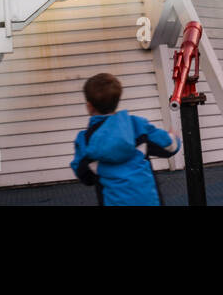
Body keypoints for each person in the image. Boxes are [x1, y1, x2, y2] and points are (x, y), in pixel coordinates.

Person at [70, 72, 179, 206]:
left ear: (89, 106)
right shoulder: (137, 125)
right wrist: (174, 136)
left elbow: (85, 176)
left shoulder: (85, 140)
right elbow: (170, 147)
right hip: (148, 201)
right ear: (117, 100)